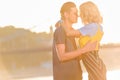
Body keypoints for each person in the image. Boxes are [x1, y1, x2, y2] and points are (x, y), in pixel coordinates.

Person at [59, 1, 107, 80]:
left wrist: (62, 22)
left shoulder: (90, 27)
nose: (78, 15)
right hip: (96, 63)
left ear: (86, 14)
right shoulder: (97, 27)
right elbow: (78, 34)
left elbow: (68, 33)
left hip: (93, 63)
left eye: (80, 12)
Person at [52, 2, 97, 80]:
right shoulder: (60, 31)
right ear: (66, 14)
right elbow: (62, 56)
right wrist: (84, 49)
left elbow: (76, 56)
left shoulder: (73, 32)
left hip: (77, 77)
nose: (78, 16)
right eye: (75, 13)